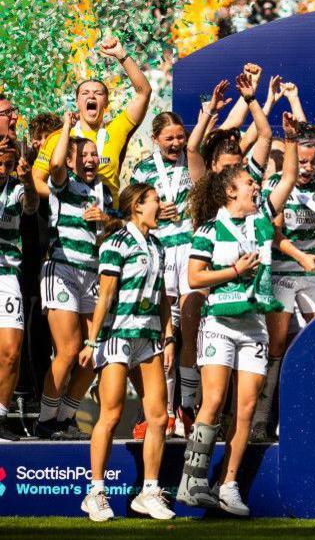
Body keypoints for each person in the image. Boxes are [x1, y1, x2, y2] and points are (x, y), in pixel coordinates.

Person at [177, 110, 298, 516]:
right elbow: (194, 278)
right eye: (248, 183)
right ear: (230, 192)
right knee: (213, 402)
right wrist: (234, 271)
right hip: (220, 325)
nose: (255, 186)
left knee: (245, 409)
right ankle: (191, 481)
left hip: (255, 330)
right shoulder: (209, 230)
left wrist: (292, 141)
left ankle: (228, 484)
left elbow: (288, 179)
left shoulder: (261, 220)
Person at [78, 183, 174, 522]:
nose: (160, 206)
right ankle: (95, 492)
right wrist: (91, 342)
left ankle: (149, 491)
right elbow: (105, 296)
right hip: (117, 335)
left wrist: (170, 335)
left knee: (159, 416)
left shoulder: (158, 245)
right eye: (155, 201)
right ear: (137, 206)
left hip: (148, 338)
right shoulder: (116, 243)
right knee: (111, 414)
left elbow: (162, 296)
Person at [257, 125, 315, 441]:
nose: (306, 168)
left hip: (314, 270)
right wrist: (302, 258)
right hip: (282, 270)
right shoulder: (276, 184)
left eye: (314, 162)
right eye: (302, 161)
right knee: (276, 347)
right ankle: (262, 419)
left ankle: (312, 413)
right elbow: (274, 235)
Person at [36, 113, 112, 440]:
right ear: (71, 159)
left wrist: (107, 221)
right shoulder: (63, 183)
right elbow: (53, 168)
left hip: (91, 274)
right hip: (62, 269)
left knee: (93, 353)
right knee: (68, 351)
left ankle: (65, 420)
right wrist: (68, 127)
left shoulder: (104, 193)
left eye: (94, 154)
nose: (91, 159)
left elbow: (114, 235)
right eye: (84, 154)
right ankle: (45, 420)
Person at [129, 111, 192, 438]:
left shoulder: (192, 159)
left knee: (189, 334)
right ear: (155, 140)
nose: (176, 143)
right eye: (169, 138)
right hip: (163, 252)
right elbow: (131, 211)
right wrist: (155, 211)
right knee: (166, 333)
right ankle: (163, 412)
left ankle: (186, 410)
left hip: (192, 251)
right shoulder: (144, 169)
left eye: (180, 136)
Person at [32, 34, 151, 201]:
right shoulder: (58, 138)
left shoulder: (116, 129)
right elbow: (36, 179)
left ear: (106, 102)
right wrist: (62, 201)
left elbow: (144, 92)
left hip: (109, 221)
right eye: (85, 93)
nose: (92, 96)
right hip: (73, 222)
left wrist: (121, 54)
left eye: (98, 93)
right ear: (78, 102)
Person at [0, 139, 39, 441]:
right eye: (0, 163)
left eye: (9, 165)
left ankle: (0, 417)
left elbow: (31, 205)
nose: (3, 169)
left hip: (8, 274)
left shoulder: (15, 187)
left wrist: (26, 179)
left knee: (12, 352)